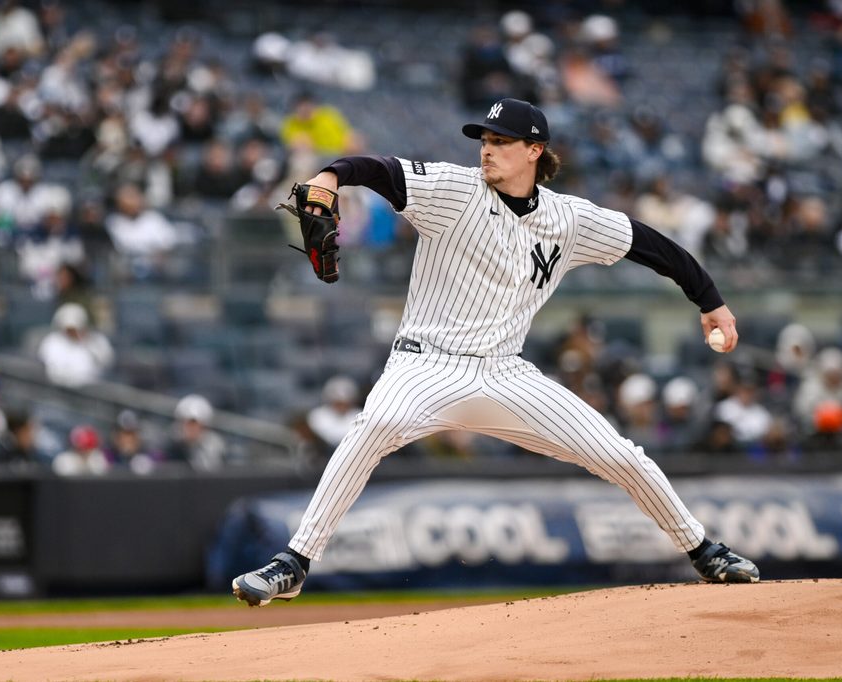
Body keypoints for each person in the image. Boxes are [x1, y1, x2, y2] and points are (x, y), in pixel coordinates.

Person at [232, 98, 759, 607]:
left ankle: (702, 549)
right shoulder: (453, 190)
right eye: (484, 139)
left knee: (619, 454)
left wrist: (710, 301)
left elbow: (651, 244)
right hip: (426, 364)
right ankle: (295, 562)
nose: (487, 149)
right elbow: (380, 169)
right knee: (373, 427)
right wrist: (330, 174)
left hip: (507, 373)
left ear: (534, 151)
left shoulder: (568, 219)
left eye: (501, 141)